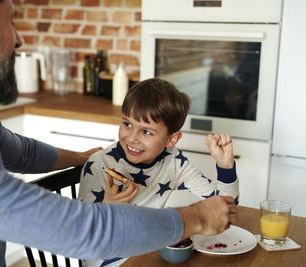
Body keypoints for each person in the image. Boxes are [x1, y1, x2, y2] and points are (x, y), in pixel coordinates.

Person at [0, 1, 238, 266]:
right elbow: (87, 231)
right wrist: (195, 218)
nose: (19, 40)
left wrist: (81, 158)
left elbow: (19, 151)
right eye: (12, 22)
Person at [78, 78, 239, 267]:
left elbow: (226, 208)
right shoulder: (99, 164)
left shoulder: (174, 162)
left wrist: (225, 166)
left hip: (147, 253)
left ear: (172, 139)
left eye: (146, 132)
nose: (131, 138)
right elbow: (82, 234)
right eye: (127, 124)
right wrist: (107, 206)